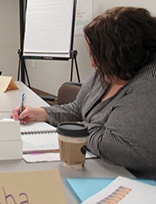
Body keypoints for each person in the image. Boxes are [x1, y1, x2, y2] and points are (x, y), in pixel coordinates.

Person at [13, 7, 156, 180]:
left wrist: (82, 127)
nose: (93, 63)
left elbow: (117, 146)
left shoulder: (148, 85)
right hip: (96, 166)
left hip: (130, 181)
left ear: (122, 54)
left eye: (98, 55)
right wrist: (40, 113)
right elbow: (77, 109)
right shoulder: (106, 72)